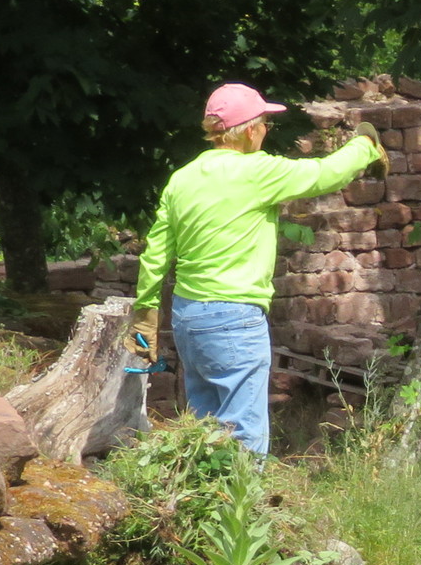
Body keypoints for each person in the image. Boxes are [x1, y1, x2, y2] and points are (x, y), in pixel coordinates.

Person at [130, 84, 385, 453]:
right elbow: (327, 173)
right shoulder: (258, 172)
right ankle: (242, 492)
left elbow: (155, 253)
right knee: (244, 437)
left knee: (204, 432)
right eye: (266, 123)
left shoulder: (182, 178)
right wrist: (365, 144)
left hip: (188, 317)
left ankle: (203, 490)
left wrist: (145, 315)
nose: (266, 130)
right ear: (250, 130)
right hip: (234, 317)